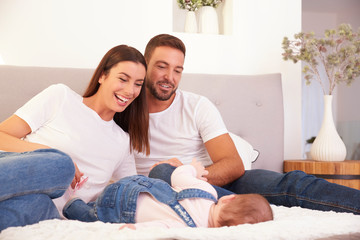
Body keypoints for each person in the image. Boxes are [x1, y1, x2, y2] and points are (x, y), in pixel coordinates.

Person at [134, 33, 360, 215]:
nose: (169, 77)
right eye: (161, 66)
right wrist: (172, 178)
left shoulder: (196, 106)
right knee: (162, 175)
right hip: (166, 192)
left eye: (177, 70)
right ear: (144, 65)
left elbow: (233, 165)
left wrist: (186, 173)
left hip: (213, 180)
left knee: (293, 184)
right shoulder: (123, 111)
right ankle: (232, 207)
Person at [0, 44, 149, 231]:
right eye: (123, 79)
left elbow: (131, 194)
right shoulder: (61, 97)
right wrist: (50, 154)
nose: (130, 91)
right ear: (103, 75)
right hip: (10, 174)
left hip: (46, 213)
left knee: (41, 205)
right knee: (62, 165)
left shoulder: (122, 141)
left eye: (138, 84)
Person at [62, 159, 273, 229]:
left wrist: (195, 169)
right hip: (119, 212)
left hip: (132, 186)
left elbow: (179, 175)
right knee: (93, 217)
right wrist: (133, 229)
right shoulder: (193, 231)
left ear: (228, 198)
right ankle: (73, 206)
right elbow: (160, 227)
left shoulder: (207, 191)